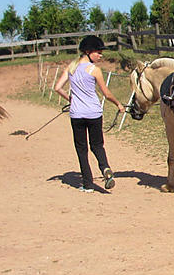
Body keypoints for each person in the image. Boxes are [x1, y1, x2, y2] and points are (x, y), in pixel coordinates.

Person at [53, 35, 124, 192]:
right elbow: (106, 93)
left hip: (77, 114)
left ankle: (87, 184)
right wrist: (118, 104)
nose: (100, 55)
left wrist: (70, 99)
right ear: (88, 51)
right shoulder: (94, 70)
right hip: (94, 113)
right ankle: (105, 168)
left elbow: (58, 87)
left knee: (81, 149)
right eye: (98, 52)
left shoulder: (71, 68)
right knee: (97, 145)